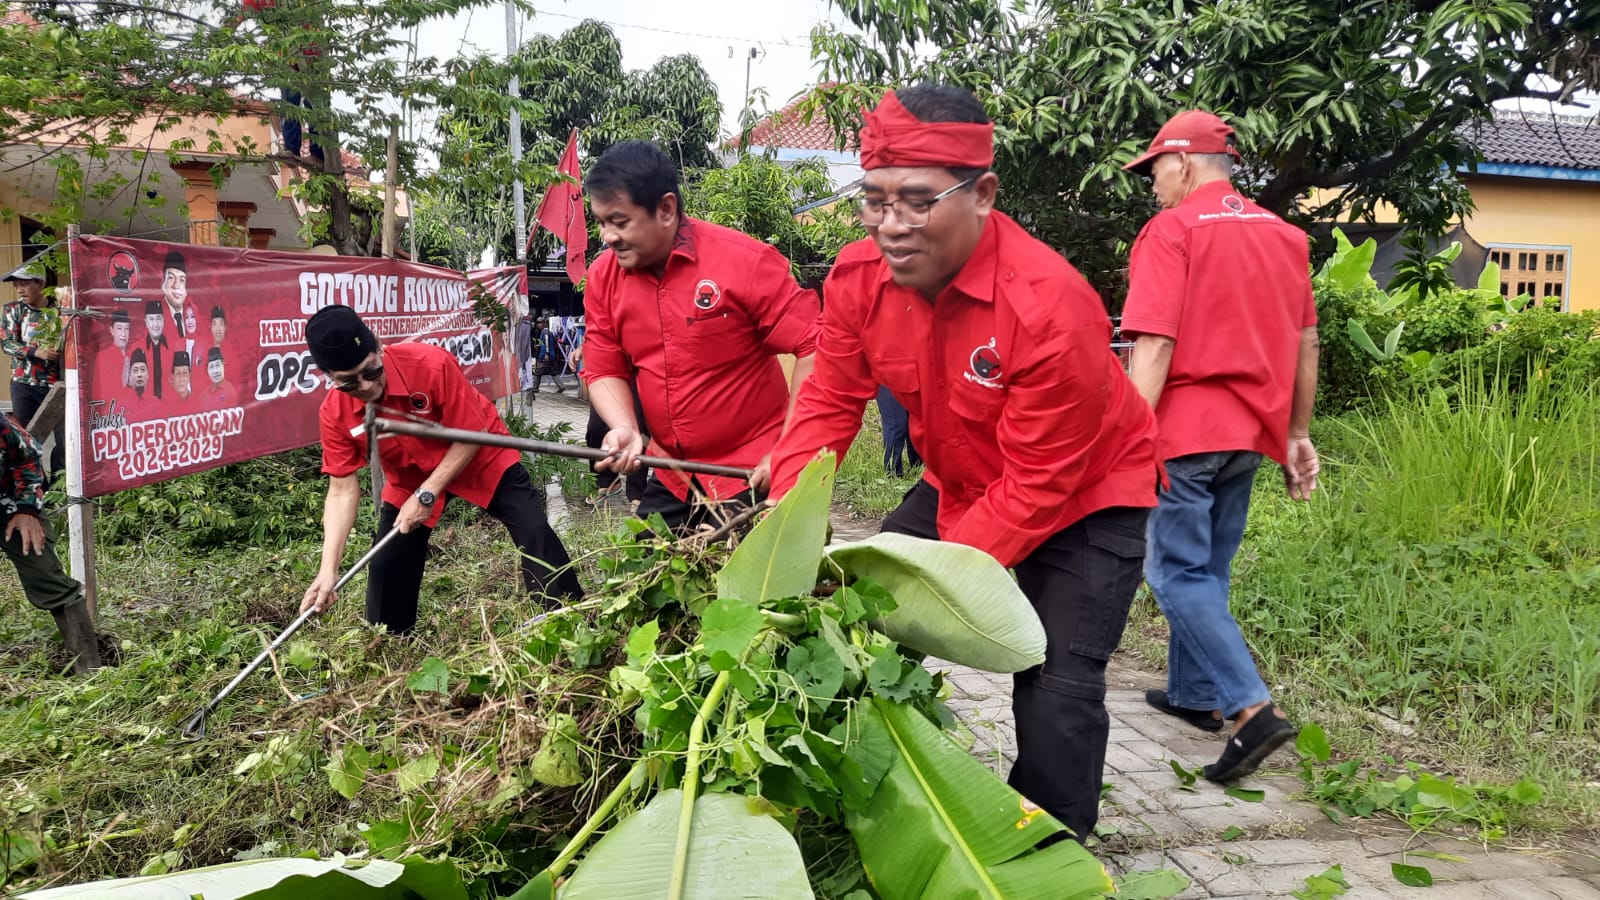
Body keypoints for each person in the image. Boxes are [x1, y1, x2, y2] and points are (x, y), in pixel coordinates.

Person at [767, 84, 1161, 843]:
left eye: (917, 201)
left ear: (982, 194)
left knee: (1055, 690)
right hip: (961, 480)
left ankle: (1050, 859)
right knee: (849, 619)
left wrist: (932, 576)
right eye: (874, 201)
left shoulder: (1048, 304)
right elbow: (827, 404)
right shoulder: (856, 281)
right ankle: (857, 799)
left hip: (1087, 497)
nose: (891, 226)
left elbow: (1041, 481)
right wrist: (789, 523)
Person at [1120, 110, 1320, 782]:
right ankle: (1195, 695)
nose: (1152, 185)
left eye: (1153, 170)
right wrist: (1297, 433)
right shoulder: (1286, 236)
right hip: (1249, 434)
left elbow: (1154, 344)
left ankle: (1249, 710)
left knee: (1174, 573)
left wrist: (1126, 438)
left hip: (1185, 431)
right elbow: (1305, 343)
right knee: (1209, 569)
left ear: (1182, 162)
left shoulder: (1170, 231)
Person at [582, 140, 821, 532]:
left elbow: (815, 345)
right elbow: (603, 366)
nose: (607, 236)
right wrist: (623, 426)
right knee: (649, 585)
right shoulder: (604, 278)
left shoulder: (744, 262)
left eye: (620, 222)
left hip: (753, 471)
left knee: (752, 590)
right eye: (601, 222)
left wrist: (791, 448)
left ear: (666, 209)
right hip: (673, 473)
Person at [298, 305, 582, 634]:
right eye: (348, 383)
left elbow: (472, 434)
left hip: (480, 454)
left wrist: (429, 492)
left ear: (379, 346)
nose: (365, 386)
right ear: (330, 379)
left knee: (532, 527)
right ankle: (389, 641)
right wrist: (327, 569)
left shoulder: (430, 365)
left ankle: (568, 616)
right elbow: (342, 490)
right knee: (387, 562)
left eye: (371, 371)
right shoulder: (334, 413)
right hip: (410, 478)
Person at [1, 414, 100, 673]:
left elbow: (30, 455)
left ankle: (89, 670)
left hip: (10, 504)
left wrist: (27, 509)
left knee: (46, 574)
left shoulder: (2, 427)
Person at [1, 264, 64, 472]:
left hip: (57, 385)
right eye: (17, 285)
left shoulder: (59, 310)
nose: (19, 290)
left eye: (25, 284)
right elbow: (7, 343)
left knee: (65, 441)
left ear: (41, 284)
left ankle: (60, 487)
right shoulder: (12, 310)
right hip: (23, 385)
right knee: (26, 440)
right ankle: (38, 488)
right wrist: (37, 352)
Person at [143, 300, 168, 400]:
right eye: (151, 319)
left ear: (163, 321)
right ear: (146, 322)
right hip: (146, 408)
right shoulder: (136, 349)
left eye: (158, 319)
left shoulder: (174, 347)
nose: (155, 324)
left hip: (170, 406)